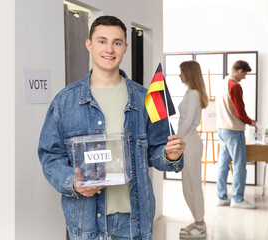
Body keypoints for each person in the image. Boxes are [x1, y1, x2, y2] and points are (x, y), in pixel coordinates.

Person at [38, 15, 185, 240]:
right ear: (89, 44)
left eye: (117, 42)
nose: (109, 49)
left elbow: (156, 151)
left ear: (125, 47)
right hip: (86, 222)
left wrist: (169, 155)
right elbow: (50, 155)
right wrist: (73, 182)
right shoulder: (64, 102)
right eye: (102, 41)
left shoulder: (145, 98)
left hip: (134, 221)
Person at [215, 60, 257, 209]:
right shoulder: (235, 86)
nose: (244, 77)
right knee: (239, 165)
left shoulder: (221, 83)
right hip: (234, 130)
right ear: (239, 70)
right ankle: (238, 199)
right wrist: (250, 122)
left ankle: (221, 197)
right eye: (244, 74)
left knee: (223, 164)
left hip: (221, 129)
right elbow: (240, 112)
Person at [177, 61, 208, 239]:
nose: (180, 75)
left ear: (189, 73)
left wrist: (175, 139)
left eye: (182, 72)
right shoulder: (190, 92)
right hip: (186, 141)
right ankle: (197, 220)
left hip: (189, 141)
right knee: (187, 185)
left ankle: (200, 224)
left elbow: (187, 122)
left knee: (193, 185)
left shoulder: (194, 93)